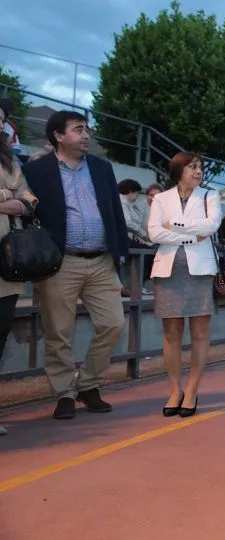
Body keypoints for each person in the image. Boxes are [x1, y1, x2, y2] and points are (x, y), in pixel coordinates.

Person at [22, 110, 128, 420]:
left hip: (101, 261)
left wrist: (119, 254)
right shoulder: (37, 171)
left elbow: (114, 214)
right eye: (78, 129)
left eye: (87, 130)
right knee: (58, 332)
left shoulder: (102, 168)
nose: (86, 135)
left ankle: (88, 384)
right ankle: (65, 392)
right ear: (58, 136)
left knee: (113, 324)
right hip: (59, 262)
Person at [148, 152, 222, 417]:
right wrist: (192, 236)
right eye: (193, 167)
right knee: (172, 333)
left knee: (200, 332)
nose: (198, 171)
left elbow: (211, 225)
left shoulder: (209, 196)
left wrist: (176, 225)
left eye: (201, 167)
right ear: (179, 170)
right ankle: (175, 389)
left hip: (200, 271)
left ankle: (191, 390)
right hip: (168, 271)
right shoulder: (161, 198)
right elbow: (154, 232)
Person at [0, 131, 38, 436]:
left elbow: (28, 201)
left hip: (6, 262)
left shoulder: (10, 161)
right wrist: (8, 197)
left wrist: (13, 199)